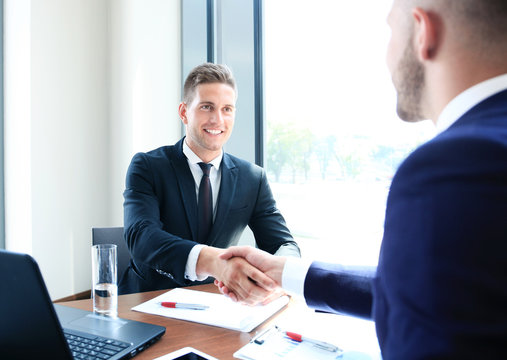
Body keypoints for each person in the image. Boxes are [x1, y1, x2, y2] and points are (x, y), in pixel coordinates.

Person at [217, 0, 507, 358]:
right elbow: (445, 292)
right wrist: (287, 273)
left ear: (423, 32)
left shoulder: (451, 167)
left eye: (389, 30)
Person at [120, 63, 300, 302]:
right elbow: (141, 237)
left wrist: (277, 277)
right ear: (184, 112)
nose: (218, 119)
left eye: (227, 109)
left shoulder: (252, 178)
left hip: (216, 305)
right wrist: (215, 263)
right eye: (207, 107)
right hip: (145, 301)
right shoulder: (148, 166)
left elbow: (285, 244)